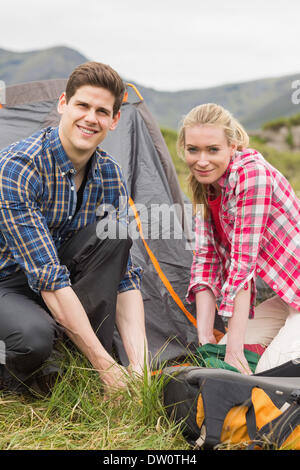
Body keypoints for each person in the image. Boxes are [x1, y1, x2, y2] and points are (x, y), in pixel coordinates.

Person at [0, 61, 148, 395]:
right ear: (64, 104)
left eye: (102, 111)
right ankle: (29, 372)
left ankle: (77, 367)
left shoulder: (109, 174)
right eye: (82, 105)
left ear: (114, 120)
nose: (90, 118)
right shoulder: (19, 167)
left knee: (116, 235)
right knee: (32, 340)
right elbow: (48, 277)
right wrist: (107, 367)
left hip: (55, 280)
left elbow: (124, 276)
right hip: (6, 280)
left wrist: (140, 368)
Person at [177, 103, 300, 375]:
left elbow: (243, 266)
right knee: (222, 351)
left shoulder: (252, 174)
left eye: (213, 149)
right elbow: (204, 263)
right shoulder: (207, 187)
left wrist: (234, 353)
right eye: (193, 150)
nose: (202, 160)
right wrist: (206, 338)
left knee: (267, 371)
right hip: (288, 297)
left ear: (232, 146)